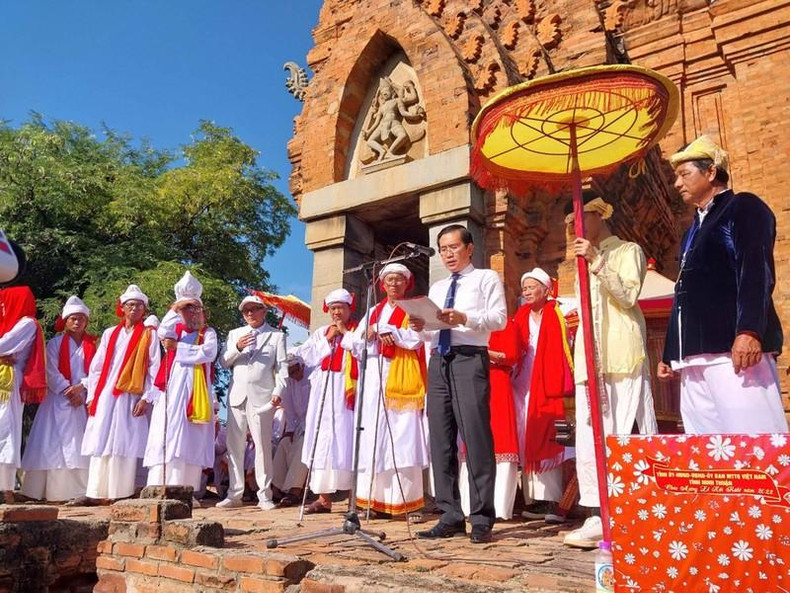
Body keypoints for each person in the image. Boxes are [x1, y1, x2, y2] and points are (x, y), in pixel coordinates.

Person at [657, 136, 788, 434]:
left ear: (711, 172)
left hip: (734, 353)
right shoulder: (692, 231)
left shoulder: (742, 207)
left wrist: (749, 331)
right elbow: (683, 293)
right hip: (692, 359)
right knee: (708, 451)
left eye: (684, 174)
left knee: (753, 444)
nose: (677, 184)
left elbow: (756, 271)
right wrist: (670, 352)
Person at [562, 193, 658, 549]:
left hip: (621, 356)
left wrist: (597, 260)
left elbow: (628, 297)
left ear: (601, 216)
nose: (575, 226)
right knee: (589, 440)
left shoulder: (627, 251)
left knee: (621, 433)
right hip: (590, 360)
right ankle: (596, 514)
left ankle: (632, 508)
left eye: (581, 218)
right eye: (571, 222)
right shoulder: (580, 263)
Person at [409, 224, 507, 544]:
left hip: (469, 357)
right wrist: (420, 325)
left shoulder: (485, 279)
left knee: (475, 436)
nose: (448, 254)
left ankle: (481, 516)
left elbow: (499, 319)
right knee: (440, 438)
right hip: (439, 360)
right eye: (443, 249)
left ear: (469, 248)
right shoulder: (436, 287)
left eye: (453, 247)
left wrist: (464, 318)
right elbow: (429, 334)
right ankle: (449, 513)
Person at [342, 263, 429, 520]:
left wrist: (391, 332)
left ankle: (409, 503)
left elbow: (418, 339)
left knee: (403, 440)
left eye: (399, 280)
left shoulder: (413, 308)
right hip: (373, 381)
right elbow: (351, 343)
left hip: (402, 379)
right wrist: (370, 332)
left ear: (407, 283)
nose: (394, 284)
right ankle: (375, 501)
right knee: (374, 439)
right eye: (389, 280)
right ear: (382, 284)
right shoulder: (373, 312)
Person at [81, 285, 161, 501]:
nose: (134, 309)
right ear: (123, 308)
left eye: (139, 305)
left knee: (124, 441)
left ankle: (120, 492)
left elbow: (154, 367)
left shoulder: (148, 335)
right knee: (101, 439)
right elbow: (96, 367)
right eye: (130, 305)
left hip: (131, 394)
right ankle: (95, 492)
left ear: (144, 310)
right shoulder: (110, 333)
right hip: (106, 394)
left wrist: (147, 397)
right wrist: (92, 397)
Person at [145, 271, 217, 497]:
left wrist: (179, 349)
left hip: (196, 391)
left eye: (196, 309)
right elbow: (163, 332)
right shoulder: (174, 331)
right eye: (187, 309)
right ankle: (159, 487)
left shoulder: (208, 333)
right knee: (168, 432)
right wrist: (175, 307)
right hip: (173, 388)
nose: (193, 314)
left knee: (190, 437)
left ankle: (186, 492)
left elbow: (209, 353)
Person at [512, 268, 574, 523]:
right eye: (524, 287)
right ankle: (533, 500)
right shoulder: (521, 315)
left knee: (549, 433)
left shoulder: (559, 311)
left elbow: (570, 340)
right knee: (526, 434)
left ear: (546, 289)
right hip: (523, 382)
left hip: (549, 383)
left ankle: (552, 500)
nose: (526, 291)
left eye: (531, 286)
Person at [21, 296, 97, 502]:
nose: (77, 322)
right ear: (65, 321)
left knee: (79, 444)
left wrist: (82, 387)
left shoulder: (94, 345)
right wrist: (67, 389)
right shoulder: (55, 343)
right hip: (58, 399)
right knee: (52, 444)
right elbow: (50, 370)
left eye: (81, 318)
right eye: (73, 318)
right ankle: (47, 492)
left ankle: (80, 491)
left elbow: (99, 370)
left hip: (83, 400)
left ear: (86, 321)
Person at [218, 294, 287, 510]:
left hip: (262, 397)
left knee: (262, 447)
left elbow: (282, 367)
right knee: (234, 446)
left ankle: (264, 495)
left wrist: (279, 390)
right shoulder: (234, 334)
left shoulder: (276, 336)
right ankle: (234, 493)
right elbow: (223, 362)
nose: (250, 314)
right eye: (246, 311)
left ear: (263, 311)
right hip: (237, 395)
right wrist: (237, 347)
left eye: (254, 309)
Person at [293, 288, 358, 514]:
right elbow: (304, 356)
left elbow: (363, 352)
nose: (337, 312)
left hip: (347, 388)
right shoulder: (322, 331)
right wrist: (328, 340)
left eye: (341, 307)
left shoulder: (357, 329)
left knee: (347, 439)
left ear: (350, 309)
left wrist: (345, 334)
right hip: (323, 388)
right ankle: (323, 498)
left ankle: (354, 498)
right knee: (322, 440)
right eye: (333, 308)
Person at [459, 316, 520, 520]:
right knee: (474, 437)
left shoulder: (506, 323)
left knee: (501, 439)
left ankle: (500, 507)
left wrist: (484, 353)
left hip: (498, 381)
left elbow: (511, 355)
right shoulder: (468, 321)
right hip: (473, 379)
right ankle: (469, 505)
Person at [0, 287, 46, 492]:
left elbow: (4, 346)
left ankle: (5, 486)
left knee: (5, 428)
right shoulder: (7, 325)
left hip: (8, 380)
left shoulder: (27, 323)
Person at [271, 353, 310, 507]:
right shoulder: (288, 384)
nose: (294, 375)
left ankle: (295, 490)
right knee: (284, 444)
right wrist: (291, 431)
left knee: (302, 446)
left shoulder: (312, 379)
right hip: (298, 426)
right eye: (291, 373)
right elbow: (290, 411)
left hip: (313, 426)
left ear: (302, 366)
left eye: (296, 371)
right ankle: (276, 488)